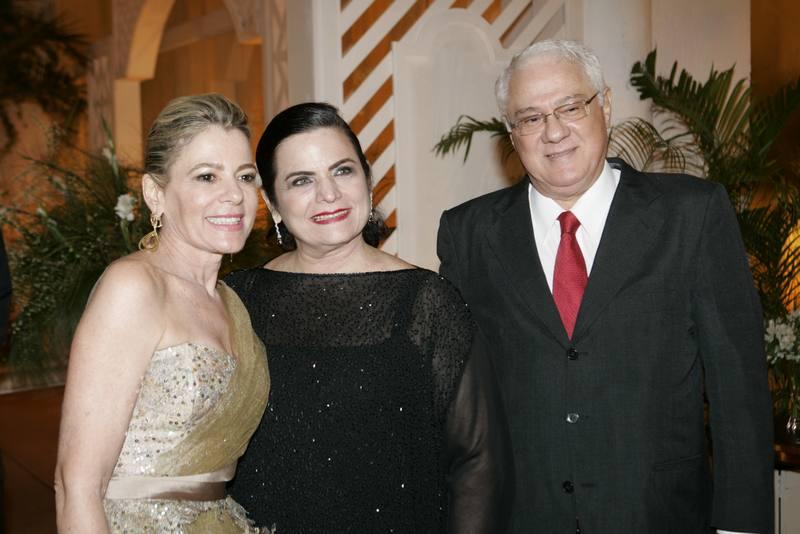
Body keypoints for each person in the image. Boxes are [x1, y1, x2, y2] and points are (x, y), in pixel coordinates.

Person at [437, 39, 774, 534]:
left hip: (660, 517)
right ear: (512, 134)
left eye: (570, 107)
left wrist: (741, 526)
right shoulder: (468, 233)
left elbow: (738, 386)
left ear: (606, 106)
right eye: (530, 118)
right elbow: (456, 403)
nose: (554, 131)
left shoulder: (692, 214)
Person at [226, 102, 513, 533]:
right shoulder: (236, 300)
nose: (328, 194)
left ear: (368, 180)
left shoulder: (427, 303)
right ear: (273, 203)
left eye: (342, 171)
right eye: (302, 180)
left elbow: (479, 462)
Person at [54, 93, 270, 533]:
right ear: (156, 194)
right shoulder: (134, 288)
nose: (234, 194)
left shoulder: (233, 303)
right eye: (206, 176)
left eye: (245, 176)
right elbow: (76, 485)